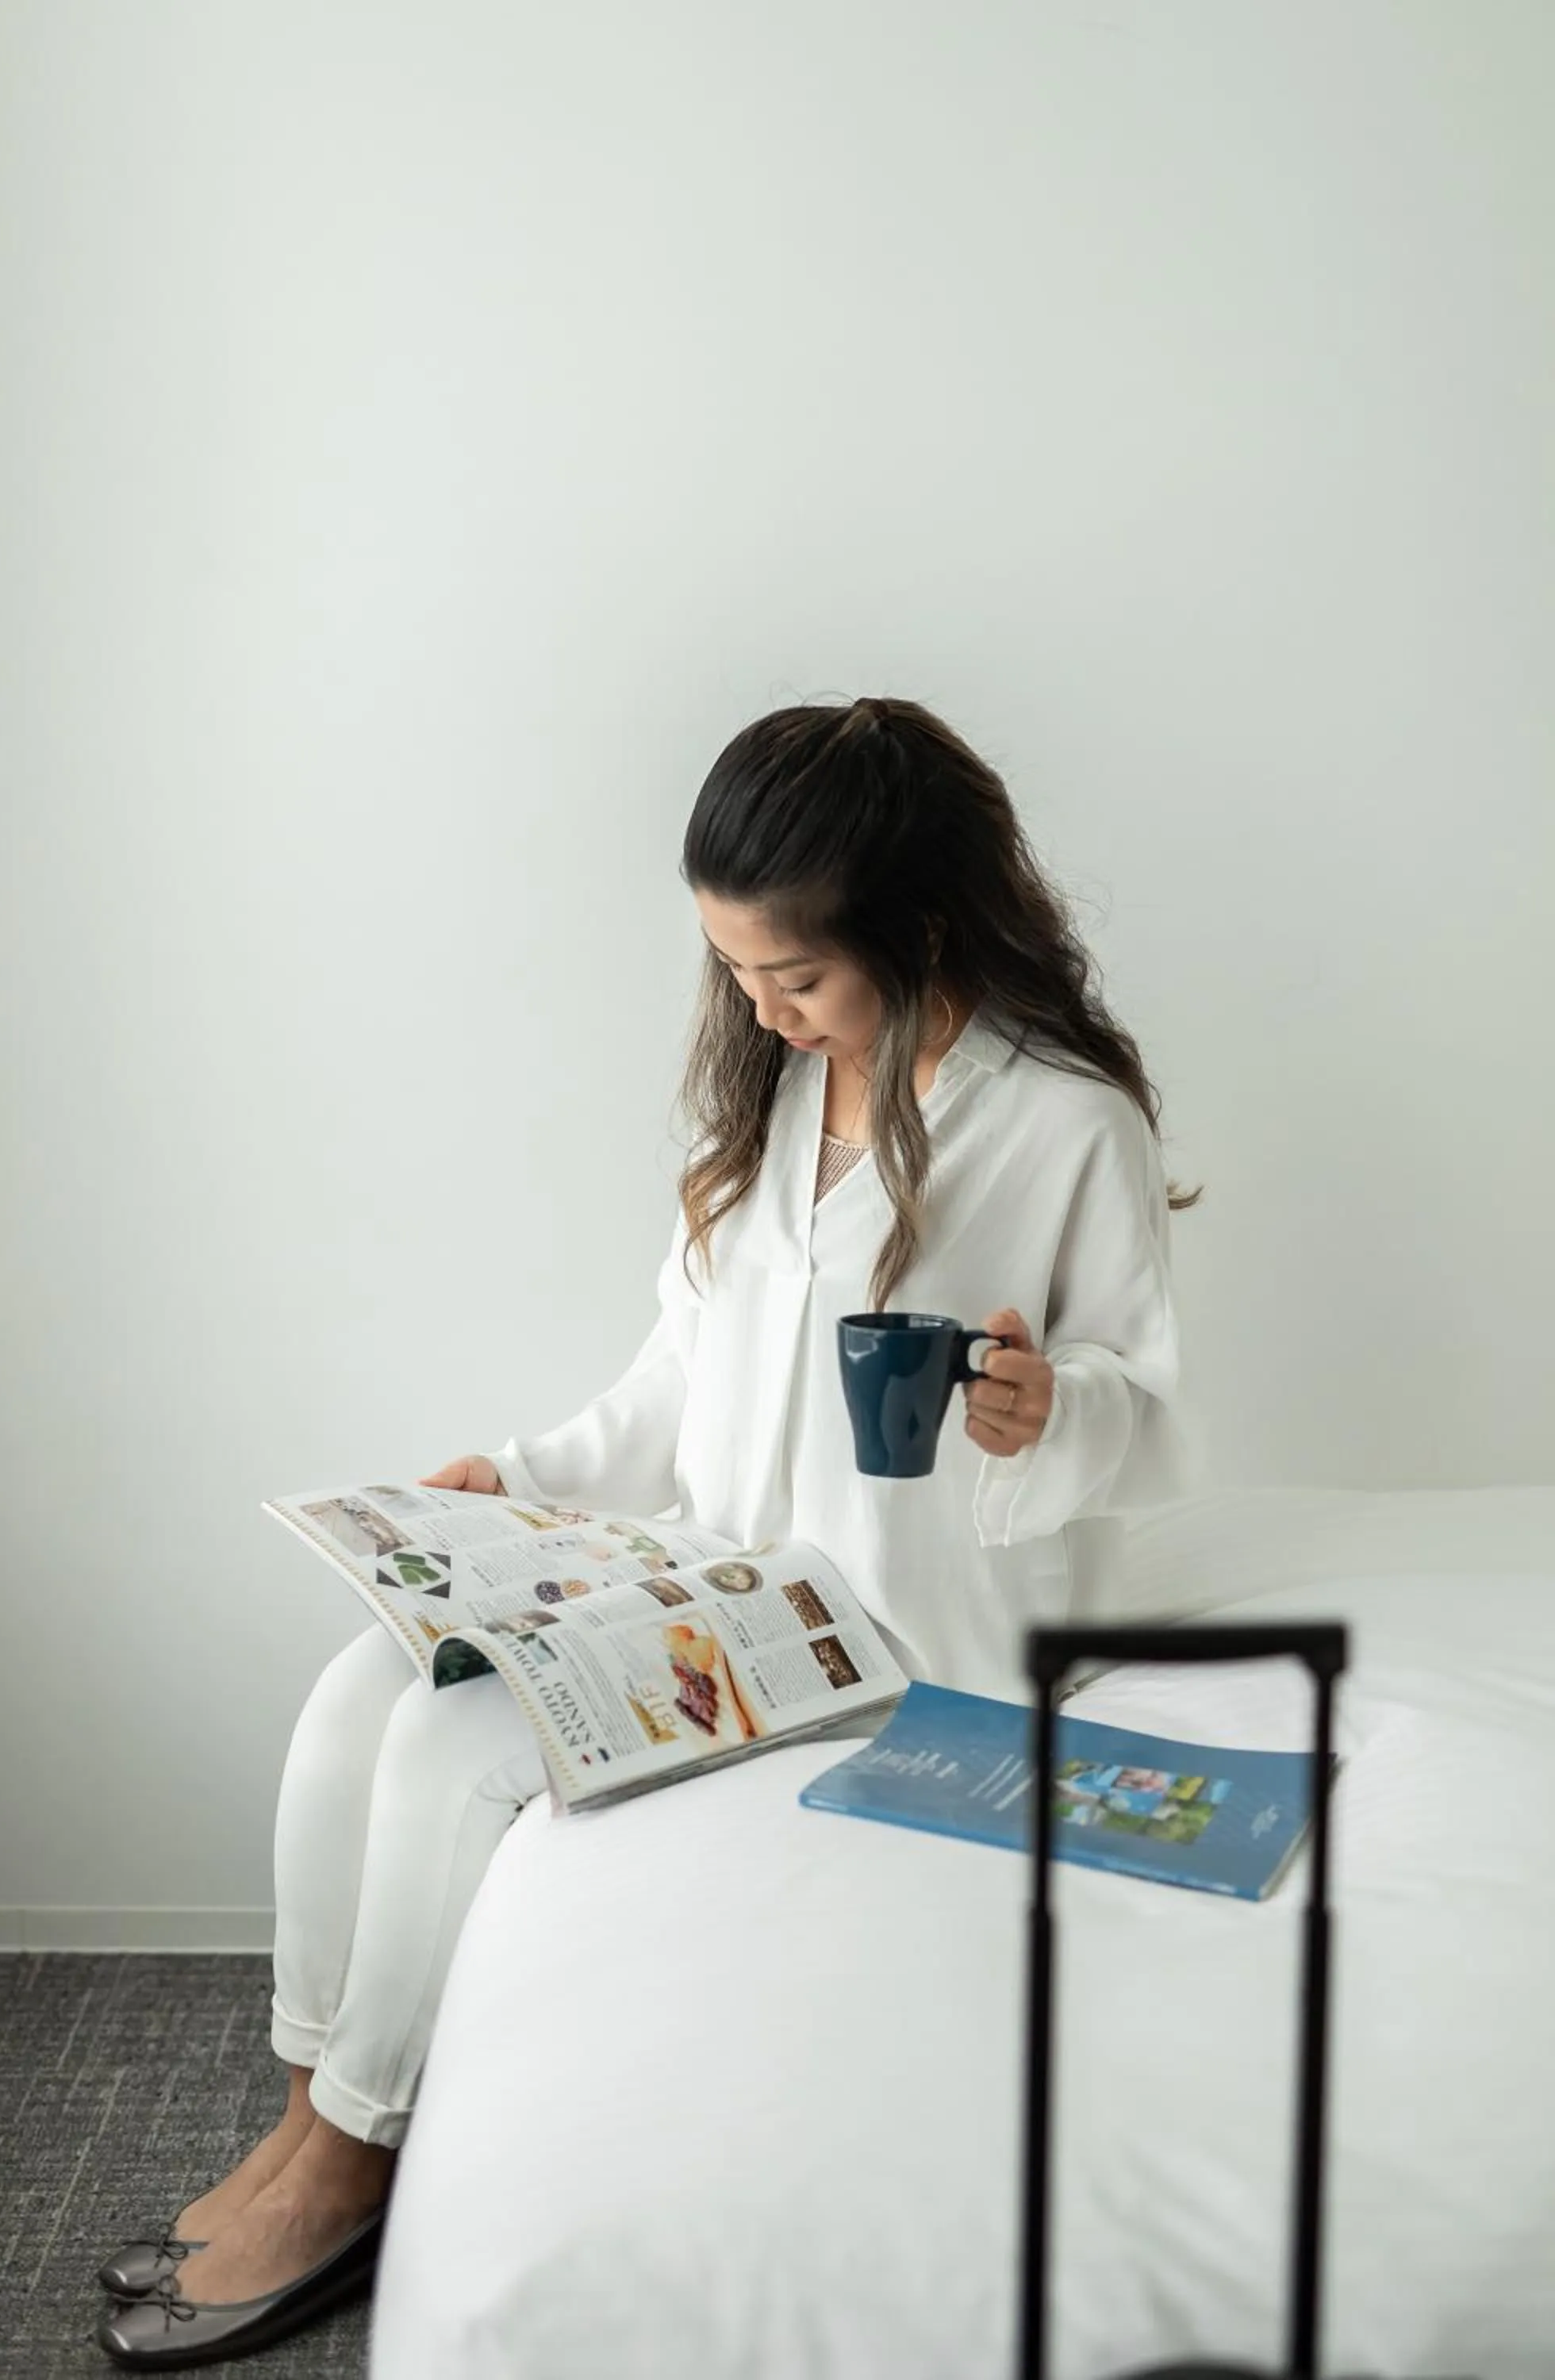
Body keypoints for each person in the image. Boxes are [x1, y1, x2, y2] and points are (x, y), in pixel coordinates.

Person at [94, 693, 1198, 2368]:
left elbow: (1150, 1404)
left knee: (459, 1749)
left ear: (916, 927)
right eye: (737, 974)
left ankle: (351, 2168)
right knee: (355, 1697)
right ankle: (314, 2106)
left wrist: (1055, 1410)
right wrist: (521, 1478)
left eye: (796, 978)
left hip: (897, 1638)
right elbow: (680, 1375)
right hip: (722, 1577)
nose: (761, 1010)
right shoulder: (769, 1101)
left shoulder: (1063, 1124)